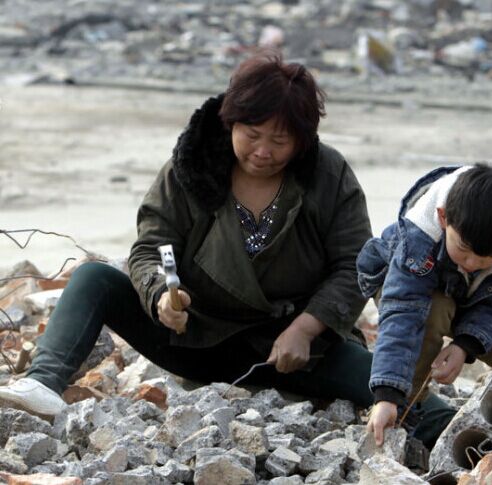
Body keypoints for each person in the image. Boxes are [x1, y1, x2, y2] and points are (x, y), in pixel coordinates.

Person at [0, 50, 384, 426]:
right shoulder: (193, 166)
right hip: (196, 340)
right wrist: (159, 299)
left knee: (392, 385)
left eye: (280, 142)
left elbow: (357, 264)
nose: (263, 152)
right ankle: (42, 383)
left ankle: (443, 442)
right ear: (232, 122)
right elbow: (150, 247)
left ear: (302, 140)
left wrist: (305, 329)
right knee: (92, 279)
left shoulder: (328, 175)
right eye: (252, 135)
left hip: (296, 352)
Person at [360, 163, 492, 444]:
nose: (472, 264)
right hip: (416, 295)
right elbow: (403, 312)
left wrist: (465, 345)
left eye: (487, 259)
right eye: (463, 250)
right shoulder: (420, 236)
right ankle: (403, 410)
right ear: (443, 218)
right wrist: (386, 394)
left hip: (476, 300)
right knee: (433, 312)